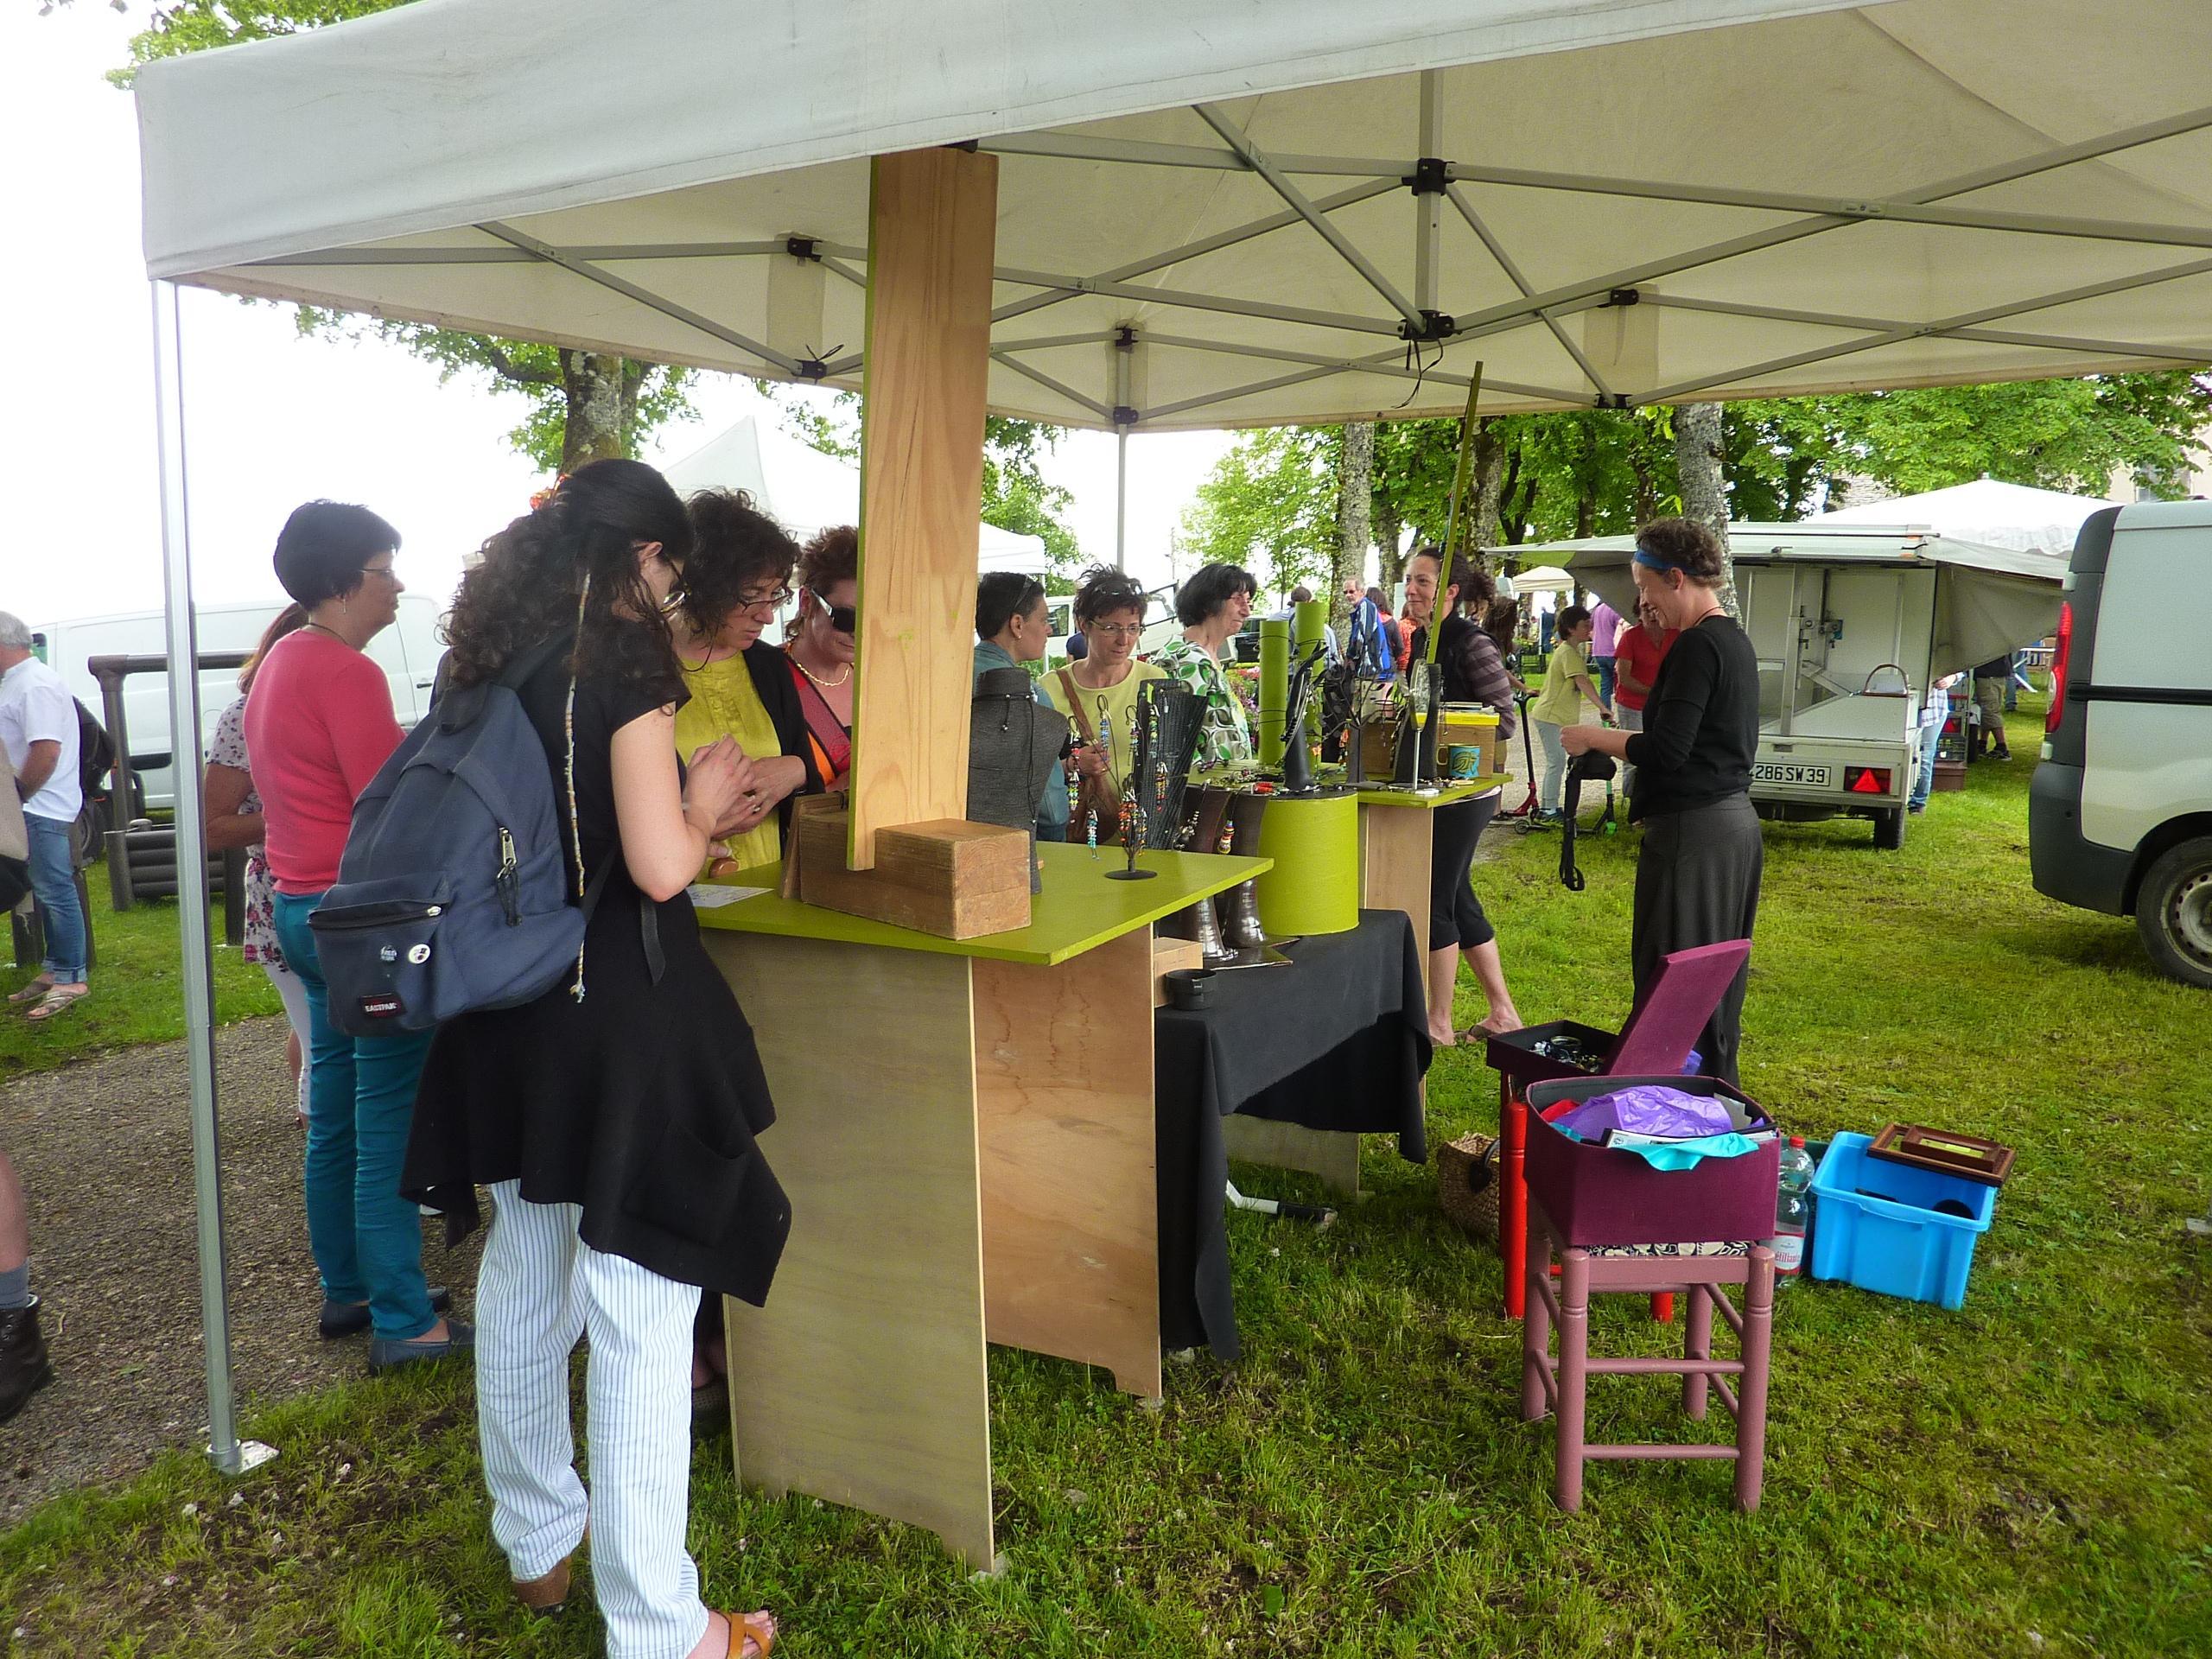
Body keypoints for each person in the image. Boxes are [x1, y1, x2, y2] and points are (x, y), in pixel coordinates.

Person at [402, 460, 786, 1659]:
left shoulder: (488, 661)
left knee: (527, 1267)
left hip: (499, 1014)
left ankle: (537, 1549)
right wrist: (708, 799)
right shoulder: (623, 664)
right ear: (642, 561)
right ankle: (662, 1624)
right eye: (669, 567)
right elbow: (657, 865)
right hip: (611, 1010)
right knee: (639, 1304)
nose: (672, 588)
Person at [243, 503, 461, 1367]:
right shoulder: (344, 672)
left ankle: (352, 1287)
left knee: (335, 1110)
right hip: (362, 919)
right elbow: (393, 804)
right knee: (387, 1123)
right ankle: (406, 1320)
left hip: (303, 910)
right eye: (384, 567)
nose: (397, 584)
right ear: (344, 580)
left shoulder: (281, 661)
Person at [1561, 518, 1762, 1085]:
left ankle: (1675, 1105)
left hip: (1694, 835)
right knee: (1711, 989)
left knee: (1673, 984)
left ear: (1676, 578)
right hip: (1731, 831)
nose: (1642, 601)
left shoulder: (1699, 645)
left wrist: (1593, 737)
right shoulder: (1734, 640)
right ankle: (1712, 1094)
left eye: (1645, 587)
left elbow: (1668, 749)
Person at [1404, 547, 1522, 1046]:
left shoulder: (1470, 642)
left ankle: (1439, 1023)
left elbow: (1505, 719)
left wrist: (1445, 726)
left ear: (1451, 591)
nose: (1412, 590)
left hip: (1465, 793)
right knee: (1458, 895)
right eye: (1408, 580)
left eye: (1423, 582)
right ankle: (1503, 1014)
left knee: (1435, 897)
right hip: (1439, 790)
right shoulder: (1427, 639)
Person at [671, 489, 821, 877]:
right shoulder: (644, 667)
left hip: (766, 897)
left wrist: (797, 771)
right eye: (752, 597)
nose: (767, 617)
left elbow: (807, 778)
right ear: (704, 586)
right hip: (675, 894)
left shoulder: (770, 667)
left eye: (774, 597)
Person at [203, 603, 312, 1122]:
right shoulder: (243, 715)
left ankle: (311, 1119)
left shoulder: (334, 703)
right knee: (326, 1039)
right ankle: (330, 1146)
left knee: (314, 1022)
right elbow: (213, 826)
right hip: (282, 889)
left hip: (330, 890)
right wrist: (303, 813)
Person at [0, 612, 89, 1024]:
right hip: (34, 804)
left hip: (40, 805)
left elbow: (46, 751)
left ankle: (72, 974)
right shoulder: (21, 682)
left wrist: (17, 796)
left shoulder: (33, 684)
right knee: (45, 887)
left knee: (54, 889)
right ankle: (57, 965)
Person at [1041, 565, 1165, 840]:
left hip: (1142, 836)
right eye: (1112, 628)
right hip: (1078, 836)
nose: (1125, 640)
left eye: (1133, 629)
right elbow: (1031, 772)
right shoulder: (1049, 688)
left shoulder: (1154, 682)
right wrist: (1071, 765)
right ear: (1084, 625)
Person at [973, 572, 1071, 842]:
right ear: (1017, 624)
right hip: (1019, 846)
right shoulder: (1029, 696)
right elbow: (1049, 808)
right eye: (1043, 620)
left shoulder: (948, 676)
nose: (1049, 629)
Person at [1147, 563, 1256, 771]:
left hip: (1220, 790)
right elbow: (1176, 744)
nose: (1247, 611)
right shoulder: (1187, 661)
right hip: (1203, 796)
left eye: (1249, 601)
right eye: (1238, 600)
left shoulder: (1205, 657)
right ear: (1208, 603)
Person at [784, 524, 856, 791]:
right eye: (847, 618)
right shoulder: (766, 675)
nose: (858, 633)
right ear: (807, 602)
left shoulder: (877, 682)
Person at [1529, 603, 1611, 824]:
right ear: (1571, 629)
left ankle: (1550, 806)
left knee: (1557, 760)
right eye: (1585, 625)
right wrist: (1603, 707)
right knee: (1555, 761)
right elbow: (1582, 681)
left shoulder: (1570, 651)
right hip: (1550, 715)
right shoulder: (1567, 652)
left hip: (1556, 715)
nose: (1589, 629)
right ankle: (1548, 809)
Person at [1611, 598, 1678, 799]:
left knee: (1666, 751)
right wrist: (1654, 692)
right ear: (1638, 614)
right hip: (1633, 704)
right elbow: (1624, 678)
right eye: (1645, 610)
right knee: (1634, 754)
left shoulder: (1675, 635)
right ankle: (1635, 804)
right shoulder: (1631, 637)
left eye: (1654, 609)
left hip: (1666, 705)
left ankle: (1660, 799)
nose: (1650, 614)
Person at [1910, 671, 1960, 815]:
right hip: (1904, 705)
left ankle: (1917, 804)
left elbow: (1960, 668)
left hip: (1934, 710)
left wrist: (1951, 678)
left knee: (1924, 757)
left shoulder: (1941, 649)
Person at [1343, 579, 1395, 676]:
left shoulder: (1365, 606)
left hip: (1372, 666)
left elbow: (1362, 636)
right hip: (1369, 666)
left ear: (1361, 592)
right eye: (1345, 592)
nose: (1348, 595)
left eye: (1352, 591)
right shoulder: (1360, 609)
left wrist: (1350, 656)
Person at [1973, 654, 2012, 760]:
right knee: (1986, 709)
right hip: (1995, 672)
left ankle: (2001, 747)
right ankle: (1982, 744)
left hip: (1989, 673)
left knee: (1990, 711)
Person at [1587, 598, 1624, 709]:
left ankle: (1606, 714)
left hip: (1598, 651)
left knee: (1605, 685)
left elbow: (1591, 627)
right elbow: (1620, 630)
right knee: (1620, 684)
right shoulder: (1615, 610)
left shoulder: (1597, 610)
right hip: (1612, 651)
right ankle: (1621, 712)